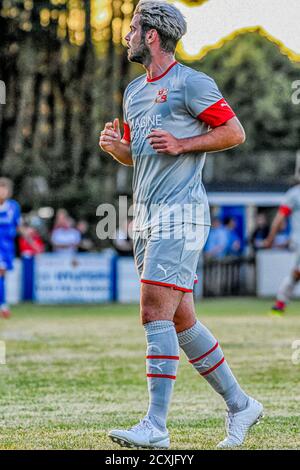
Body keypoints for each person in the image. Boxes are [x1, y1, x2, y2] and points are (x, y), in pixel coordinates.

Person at [99, 0, 263, 449]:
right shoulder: (134, 92)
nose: (127, 35)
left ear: (152, 35)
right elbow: (142, 155)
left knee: (153, 310)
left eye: (133, 28)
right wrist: (117, 148)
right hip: (147, 216)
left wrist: (184, 142)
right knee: (180, 318)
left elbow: (233, 132)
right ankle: (241, 404)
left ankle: (155, 426)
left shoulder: (192, 83)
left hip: (182, 213)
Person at [264, 181, 300, 314]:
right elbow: (279, 218)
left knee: (296, 274)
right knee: (296, 273)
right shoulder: (295, 194)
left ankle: (280, 304)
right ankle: (280, 304)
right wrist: (270, 238)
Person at [0, 177, 21, 319]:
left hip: (7, 246)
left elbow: (18, 226)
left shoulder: (13, 206)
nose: (2, 191)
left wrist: (32, 242)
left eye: (4, 188)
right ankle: (3, 305)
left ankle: (3, 304)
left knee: (3, 275)